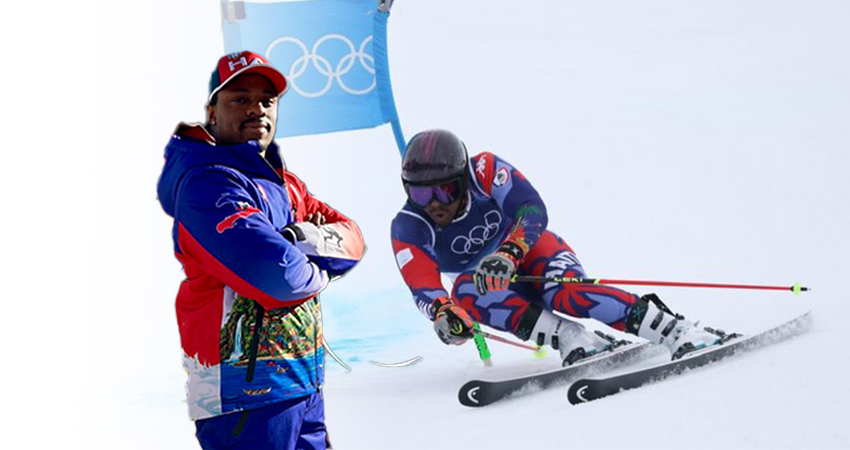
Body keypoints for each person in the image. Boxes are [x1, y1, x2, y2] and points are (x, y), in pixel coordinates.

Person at [157, 51, 365, 450]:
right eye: (239, 98)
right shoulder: (208, 184)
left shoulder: (287, 184)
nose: (257, 109)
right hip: (242, 395)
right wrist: (319, 267)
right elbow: (279, 277)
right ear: (212, 112)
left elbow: (353, 238)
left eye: (267, 100)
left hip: (303, 382)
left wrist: (299, 239)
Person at [390, 129, 733, 366]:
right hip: (492, 284)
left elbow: (532, 209)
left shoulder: (485, 170)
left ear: (463, 180)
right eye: (420, 193)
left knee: (565, 294)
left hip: (533, 252)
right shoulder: (409, 226)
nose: (434, 203)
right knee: (465, 292)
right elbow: (424, 288)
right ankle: (572, 337)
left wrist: (510, 252)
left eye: (445, 191)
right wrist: (445, 317)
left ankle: (679, 331)